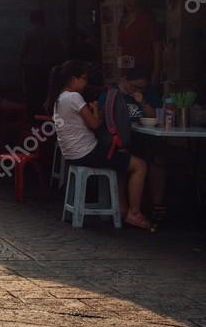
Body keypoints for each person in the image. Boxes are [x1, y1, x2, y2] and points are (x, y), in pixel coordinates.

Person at [47, 60, 152, 229]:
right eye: (84, 79)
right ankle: (134, 213)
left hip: (72, 155)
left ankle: (123, 208)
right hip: (87, 152)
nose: (86, 83)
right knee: (139, 165)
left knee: (122, 157)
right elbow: (95, 124)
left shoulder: (59, 98)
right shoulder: (74, 97)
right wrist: (96, 110)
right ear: (74, 79)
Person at [97, 66, 167, 220]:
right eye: (135, 86)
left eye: (143, 87)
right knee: (124, 159)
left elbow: (155, 116)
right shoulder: (112, 93)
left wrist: (142, 102)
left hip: (145, 138)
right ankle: (125, 208)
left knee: (158, 158)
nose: (139, 89)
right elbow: (102, 117)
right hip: (121, 140)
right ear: (125, 80)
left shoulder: (147, 93)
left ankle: (157, 205)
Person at [20, 10, 63, 118]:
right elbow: (58, 50)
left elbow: (23, 52)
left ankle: (33, 117)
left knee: (32, 94)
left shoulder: (28, 33)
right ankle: (46, 116)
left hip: (31, 68)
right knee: (46, 92)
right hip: (48, 68)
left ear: (31, 19)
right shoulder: (51, 33)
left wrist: (20, 66)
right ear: (43, 19)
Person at [118, 0, 162, 85]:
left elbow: (157, 46)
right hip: (127, 72)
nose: (128, 1)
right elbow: (121, 49)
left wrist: (156, 72)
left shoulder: (147, 19)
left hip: (144, 70)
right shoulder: (122, 22)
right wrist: (121, 73)